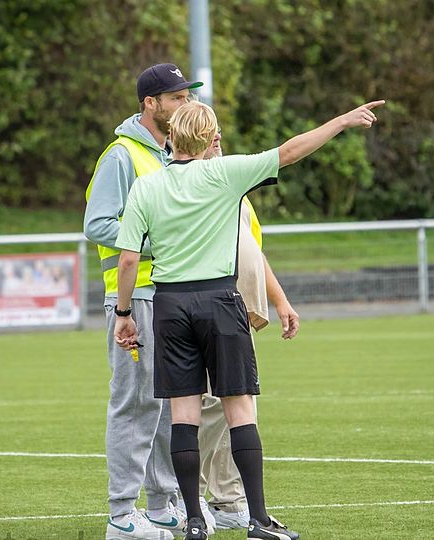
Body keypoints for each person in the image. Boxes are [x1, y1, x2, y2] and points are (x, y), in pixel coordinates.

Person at [113, 98, 384, 540]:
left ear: (173, 135)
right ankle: (258, 519)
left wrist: (124, 314)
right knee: (240, 410)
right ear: (208, 138)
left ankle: (194, 522)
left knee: (183, 415)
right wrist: (341, 120)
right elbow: (290, 151)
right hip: (219, 300)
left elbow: (127, 261)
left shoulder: (147, 186)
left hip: (169, 306)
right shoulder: (226, 173)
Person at [84, 63, 202, 540]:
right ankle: (120, 514)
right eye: (177, 98)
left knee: (167, 404)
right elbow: (97, 224)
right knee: (134, 404)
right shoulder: (121, 155)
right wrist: (158, 242)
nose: (186, 104)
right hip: (134, 298)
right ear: (151, 103)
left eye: (187, 97)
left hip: (169, 294)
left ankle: (159, 505)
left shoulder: (171, 153)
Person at [184, 130, 301, 531]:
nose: (217, 136)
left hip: (235, 309)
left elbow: (252, 250)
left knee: (236, 406)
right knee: (206, 407)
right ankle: (187, 498)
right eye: (209, 130)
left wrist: (280, 300)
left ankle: (229, 499)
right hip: (207, 309)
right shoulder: (196, 185)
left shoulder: (231, 183)